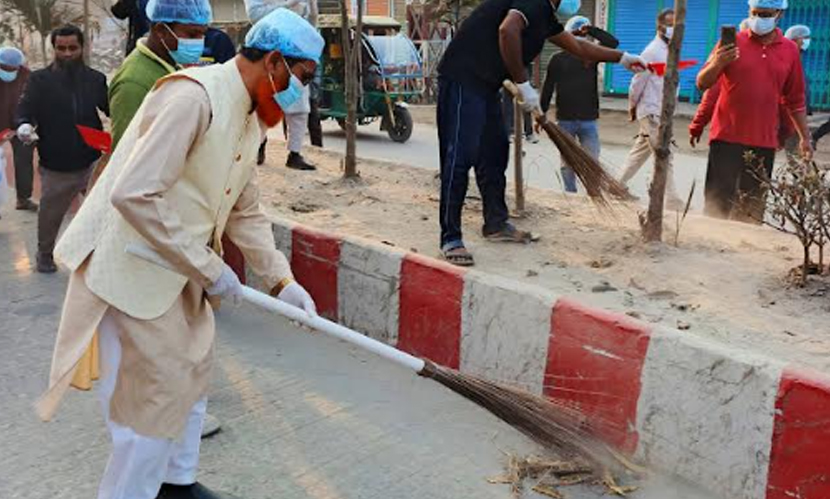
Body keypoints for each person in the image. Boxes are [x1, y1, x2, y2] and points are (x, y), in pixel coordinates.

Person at [36, 7, 322, 499]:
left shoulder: (253, 113)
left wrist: (283, 280)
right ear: (275, 62)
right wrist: (213, 268)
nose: (303, 90)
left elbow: (244, 210)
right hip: (133, 270)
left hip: (180, 271)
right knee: (149, 406)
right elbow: (135, 194)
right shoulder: (194, 98)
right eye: (302, 76)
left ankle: (176, 484)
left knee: (191, 382)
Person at [436, 0, 647, 267]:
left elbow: (579, 47)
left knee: (495, 154)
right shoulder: (532, 2)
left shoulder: (545, 16)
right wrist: (523, 84)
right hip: (462, 80)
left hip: (486, 86)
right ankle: (451, 237)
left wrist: (623, 58)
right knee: (460, 157)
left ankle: (496, 223)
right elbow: (507, 30)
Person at [696, 0, 813, 223]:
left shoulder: (789, 50)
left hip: (763, 142)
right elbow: (703, 84)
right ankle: (712, 246)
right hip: (726, 137)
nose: (759, 19)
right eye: (755, 13)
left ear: (778, 14)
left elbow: (795, 100)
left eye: (765, 14)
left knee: (751, 207)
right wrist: (718, 62)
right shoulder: (732, 42)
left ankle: (744, 253)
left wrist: (804, 137)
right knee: (717, 204)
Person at [15, 25, 109, 273]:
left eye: (72, 48)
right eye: (61, 48)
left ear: (82, 48)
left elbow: (112, 108)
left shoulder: (96, 79)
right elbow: (25, 110)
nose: (67, 53)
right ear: (54, 49)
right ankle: (45, 254)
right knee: (50, 215)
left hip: (92, 159)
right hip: (56, 163)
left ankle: (95, 254)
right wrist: (24, 125)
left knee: (100, 213)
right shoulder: (39, 80)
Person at [109, 0, 210, 149]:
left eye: (203, 34)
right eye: (192, 34)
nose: (199, 42)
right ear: (161, 30)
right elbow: (126, 157)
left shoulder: (171, 64)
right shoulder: (133, 84)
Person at [540, 15, 619, 193]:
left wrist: (590, 29)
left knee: (592, 161)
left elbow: (613, 43)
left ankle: (593, 194)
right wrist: (541, 113)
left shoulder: (591, 55)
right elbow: (547, 88)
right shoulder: (557, 59)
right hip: (565, 120)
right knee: (568, 162)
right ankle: (571, 194)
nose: (580, 40)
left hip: (588, 120)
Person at [618, 8, 684, 209]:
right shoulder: (652, 51)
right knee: (664, 153)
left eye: (676, 24)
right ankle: (672, 200)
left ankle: (615, 186)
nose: (673, 28)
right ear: (660, 27)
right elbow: (637, 82)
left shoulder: (672, 50)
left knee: (640, 152)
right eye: (669, 24)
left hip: (663, 111)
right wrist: (632, 106)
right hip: (652, 111)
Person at [246, 0, 320, 170]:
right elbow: (255, 15)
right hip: (267, 53)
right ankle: (258, 146)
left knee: (300, 110)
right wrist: (289, 4)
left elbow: (310, 19)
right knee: (263, 107)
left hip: (298, 53)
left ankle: (294, 154)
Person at [0, 46, 37, 212]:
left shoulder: (27, 76)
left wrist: (30, 125)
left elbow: (35, 101)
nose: (8, 71)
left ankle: (23, 199)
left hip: (20, 124)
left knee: (24, 161)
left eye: (11, 69)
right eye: (4, 68)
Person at [782, 24, 811, 166]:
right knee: (794, 150)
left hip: (797, 112)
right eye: (805, 38)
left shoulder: (798, 56)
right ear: (795, 40)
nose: (807, 41)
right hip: (789, 114)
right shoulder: (787, 57)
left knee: (796, 150)